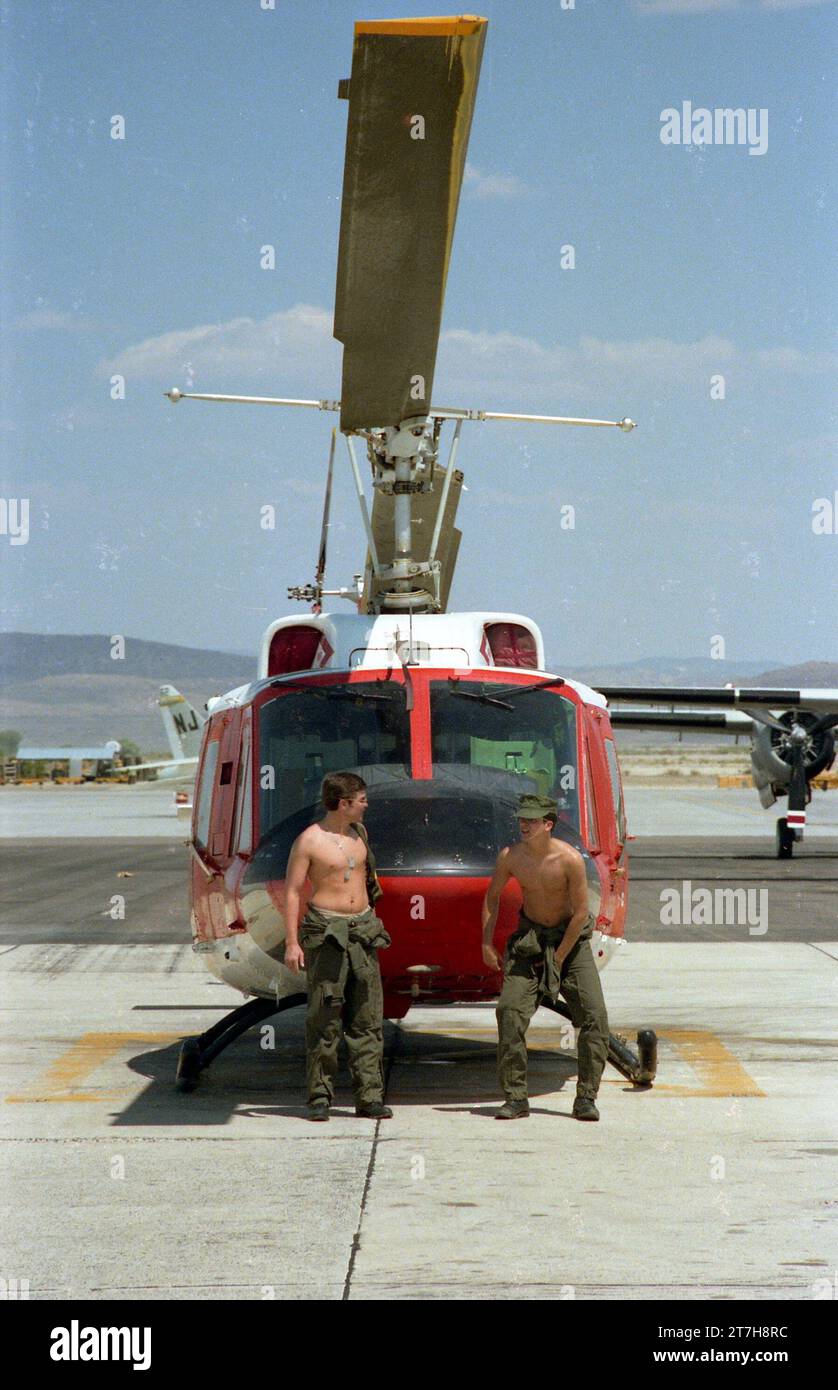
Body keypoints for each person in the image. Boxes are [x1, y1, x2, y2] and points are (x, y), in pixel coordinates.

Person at [481, 793, 609, 1121]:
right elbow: (491, 898)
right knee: (509, 1012)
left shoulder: (569, 860)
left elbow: (581, 913)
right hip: (531, 940)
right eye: (522, 819)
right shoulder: (510, 857)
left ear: (548, 824)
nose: (524, 825)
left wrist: (560, 958)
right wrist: (486, 943)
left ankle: (586, 1098)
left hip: (571, 942)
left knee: (594, 1017)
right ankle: (515, 1097)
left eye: (532, 820)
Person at [284, 771, 392, 1122]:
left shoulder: (360, 834)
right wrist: (292, 943)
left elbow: (367, 880)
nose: (366, 805)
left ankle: (369, 1097)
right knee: (324, 1018)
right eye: (361, 799)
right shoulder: (309, 841)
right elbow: (292, 892)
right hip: (326, 932)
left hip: (362, 930)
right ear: (343, 803)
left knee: (367, 1017)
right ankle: (319, 1097)